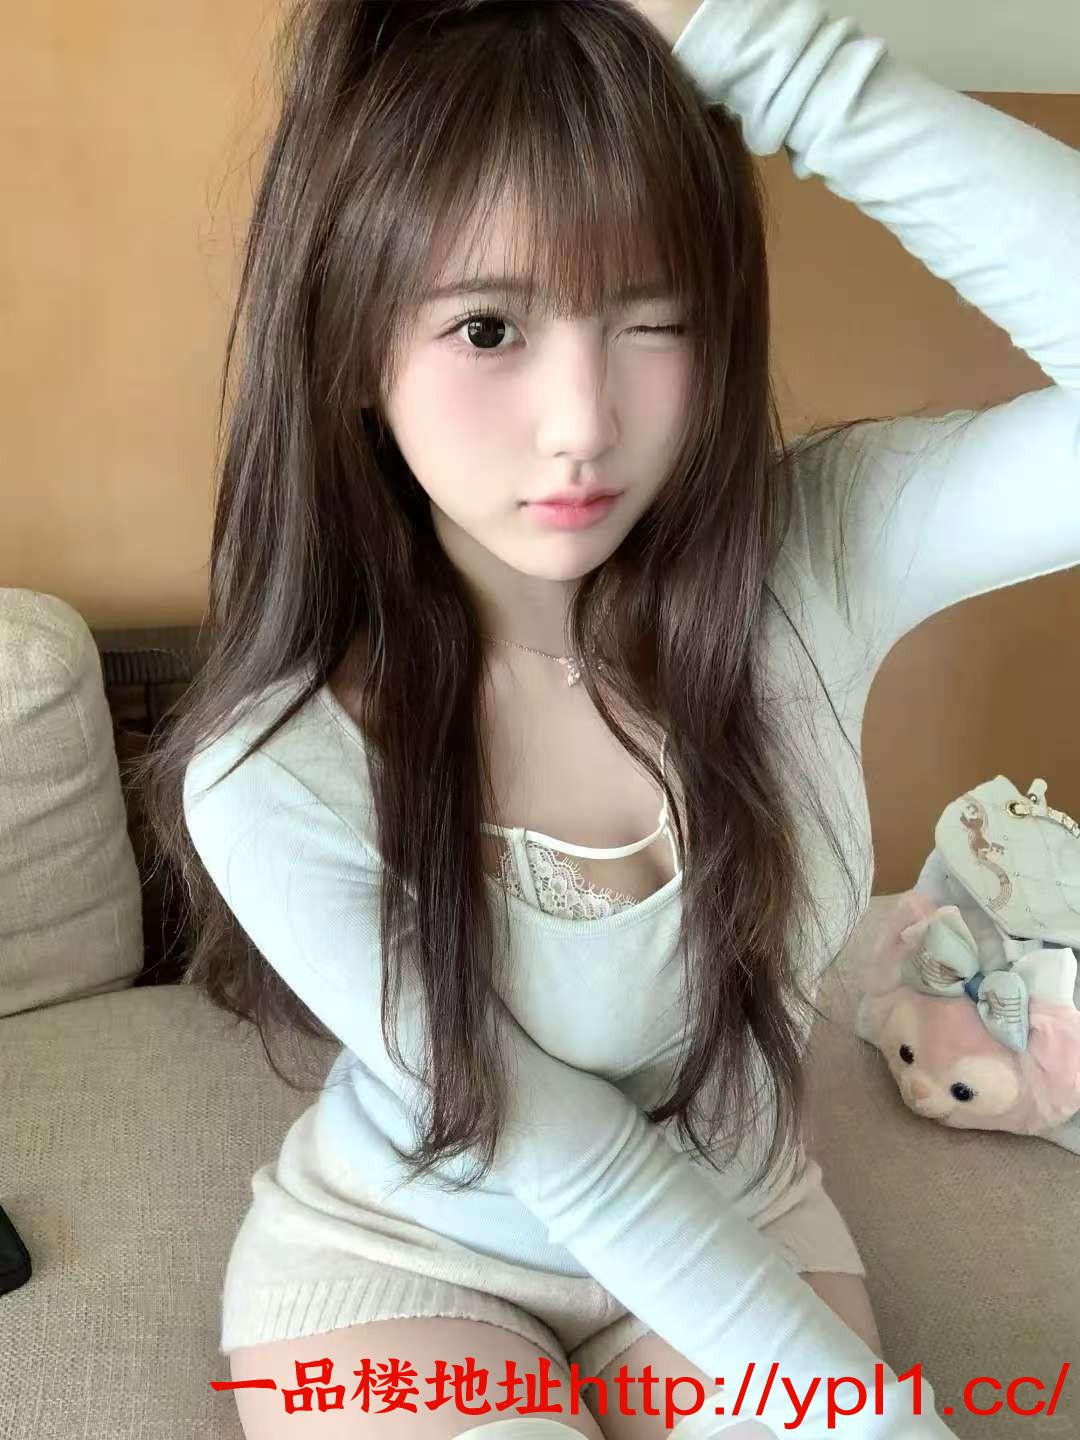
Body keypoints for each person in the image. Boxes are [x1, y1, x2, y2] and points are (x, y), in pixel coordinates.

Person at [138, 0, 1080, 1435]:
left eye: (654, 320)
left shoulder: (813, 558)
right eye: (489, 327)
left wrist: (763, 52)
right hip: (412, 1255)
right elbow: (573, 1155)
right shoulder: (275, 764)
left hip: (745, 1215)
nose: (583, 422)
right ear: (355, 347)